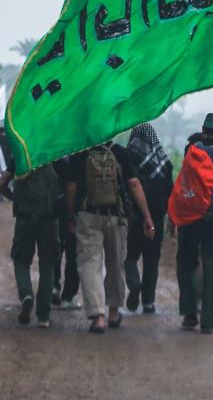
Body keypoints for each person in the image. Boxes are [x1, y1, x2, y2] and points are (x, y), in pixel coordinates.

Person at [65, 141, 155, 334]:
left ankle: (98, 317)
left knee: (90, 264)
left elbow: (71, 188)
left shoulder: (79, 153)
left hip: (87, 214)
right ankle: (114, 313)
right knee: (116, 263)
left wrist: (70, 214)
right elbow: (133, 183)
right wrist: (147, 216)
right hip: (116, 215)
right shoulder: (120, 152)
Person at [171, 113, 213, 335]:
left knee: (186, 262)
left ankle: (190, 315)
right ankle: (208, 321)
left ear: (203, 129)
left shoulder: (191, 152)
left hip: (190, 216)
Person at [0, 159, 61, 328]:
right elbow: (68, 187)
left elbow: (1, 184)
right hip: (50, 220)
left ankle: (26, 294)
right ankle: (44, 316)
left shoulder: (21, 155)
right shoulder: (55, 154)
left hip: (25, 218)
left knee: (21, 261)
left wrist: (15, 199)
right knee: (47, 265)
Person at [123, 123, 173, 315]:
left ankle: (134, 283)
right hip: (157, 220)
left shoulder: (128, 160)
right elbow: (170, 192)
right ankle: (149, 302)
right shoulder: (165, 163)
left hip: (134, 218)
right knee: (152, 259)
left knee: (130, 256)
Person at [51, 155, 81, 310]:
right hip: (75, 211)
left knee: (55, 250)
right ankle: (68, 297)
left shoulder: (50, 151)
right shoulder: (80, 153)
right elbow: (72, 187)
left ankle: (53, 286)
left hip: (52, 208)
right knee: (73, 254)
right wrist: (71, 215)